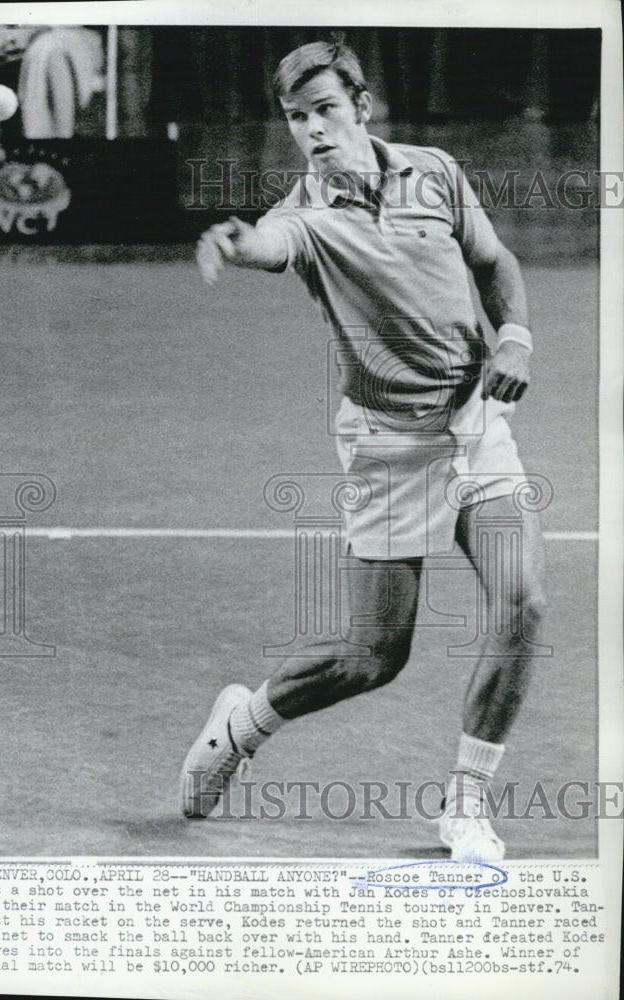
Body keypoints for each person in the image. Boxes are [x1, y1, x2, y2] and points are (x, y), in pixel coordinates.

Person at [181, 38, 546, 863]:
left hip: (475, 426)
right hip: (388, 447)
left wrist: (515, 339)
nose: (311, 130)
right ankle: (241, 723)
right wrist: (236, 243)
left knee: (522, 604)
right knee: (372, 657)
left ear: (361, 107)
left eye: (324, 111)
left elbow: (494, 262)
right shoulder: (304, 218)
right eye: (295, 118)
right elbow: (269, 243)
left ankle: (465, 806)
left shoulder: (436, 172)